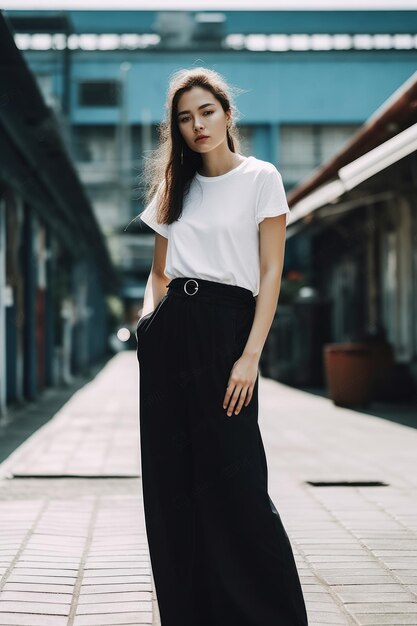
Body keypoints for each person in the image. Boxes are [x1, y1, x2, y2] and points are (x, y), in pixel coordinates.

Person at [135, 66, 309, 626]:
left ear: (227, 113)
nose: (197, 125)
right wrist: (148, 328)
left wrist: (250, 355)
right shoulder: (173, 187)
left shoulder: (261, 177)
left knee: (238, 486)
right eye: (185, 118)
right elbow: (157, 274)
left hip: (228, 331)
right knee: (173, 488)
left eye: (206, 111)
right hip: (172, 335)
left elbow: (271, 269)